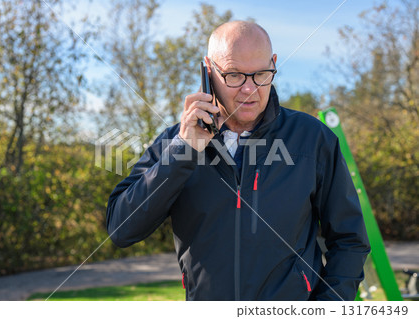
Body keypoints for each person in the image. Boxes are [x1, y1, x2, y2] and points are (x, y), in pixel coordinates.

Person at [106, 21, 370, 301]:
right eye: (234, 76)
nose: (249, 89)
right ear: (209, 70)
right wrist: (184, 151)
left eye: (261, 74)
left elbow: (349, 240)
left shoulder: (313, 139)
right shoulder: (175, 142)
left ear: (274, 64)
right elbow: (122, 229)